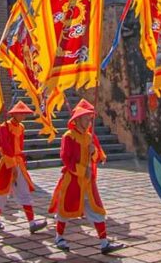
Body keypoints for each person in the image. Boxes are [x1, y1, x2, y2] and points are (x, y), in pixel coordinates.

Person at [49, 99, 124, 254]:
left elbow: (97, 156)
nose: (89, 120)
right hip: (73, 181)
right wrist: (82, 170)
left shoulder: (89, 137)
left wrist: (94, 151)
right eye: (86, 117)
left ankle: (104, 243)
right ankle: (59, 237)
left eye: (90, 117)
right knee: (64, 210)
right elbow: (66, 159)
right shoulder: (68, 136)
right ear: (77, 119)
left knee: (97, 210)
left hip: (88, 182)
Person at [0, 101, 47, 234]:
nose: (23, 116)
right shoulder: (4, 127)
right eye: (21, 113)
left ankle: (32, 222)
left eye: (24, 114)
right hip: (7, 163)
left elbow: (19, 146)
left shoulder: (21, 127)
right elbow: (4, 146)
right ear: (14, 114)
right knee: (2, 191)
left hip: (18, 162)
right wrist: (12, 164)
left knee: (24, 190)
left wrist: (19, 160)